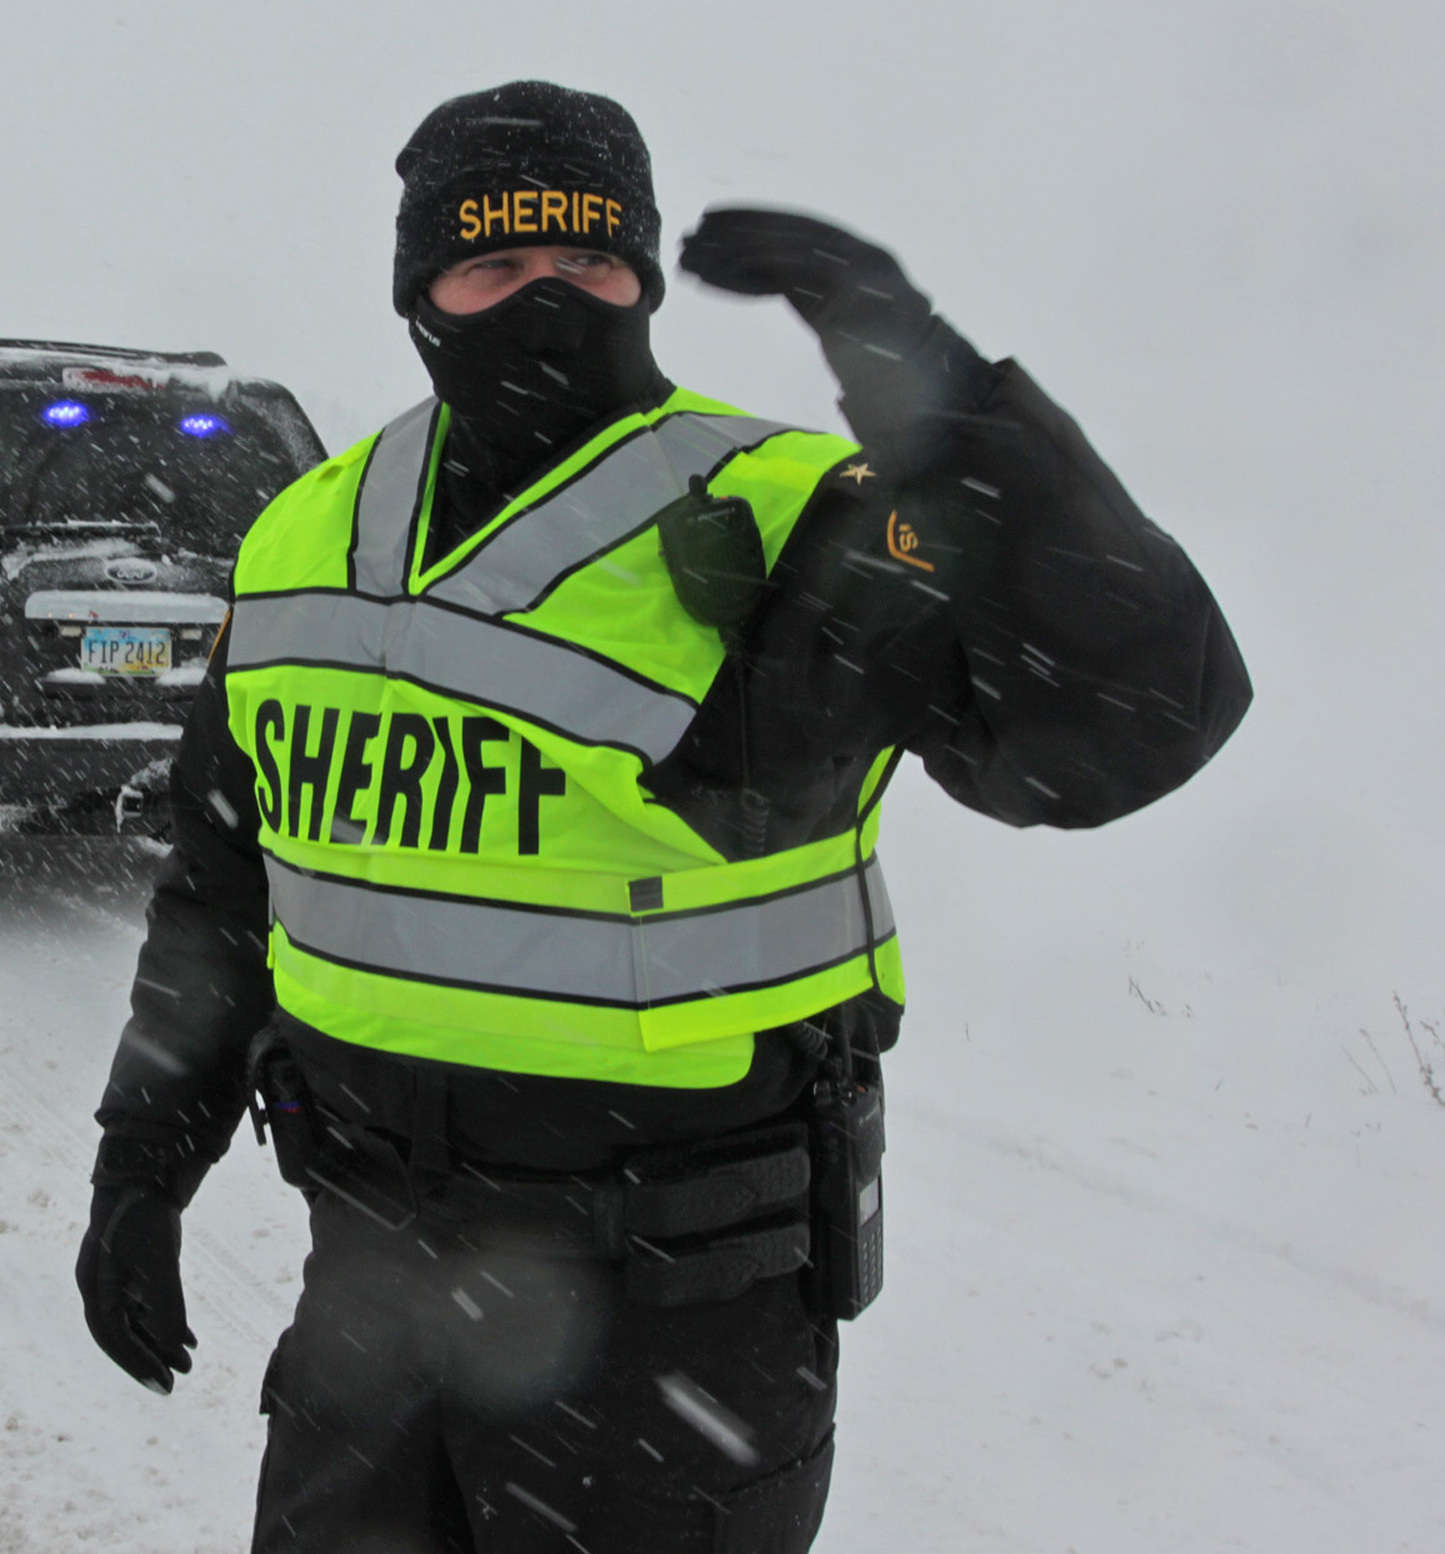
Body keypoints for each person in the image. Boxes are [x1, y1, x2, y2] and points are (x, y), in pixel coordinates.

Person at [76, 80, 1250, 1552]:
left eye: (586, 264)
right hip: (367, 1300)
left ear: (639, 278)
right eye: (490, 268)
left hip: (674, 1334)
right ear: (417, 292)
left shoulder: (785, 518)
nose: (541, 303)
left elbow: (1140, 719)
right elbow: (221, 882)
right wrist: (143, 1159)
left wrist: (955, 420)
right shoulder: (303, 531)